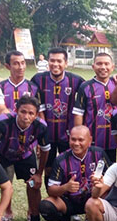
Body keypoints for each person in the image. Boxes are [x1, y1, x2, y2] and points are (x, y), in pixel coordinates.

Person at [0, 96, 49, 221]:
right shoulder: (3, 121)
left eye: (31, 113)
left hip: (25, 156)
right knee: (1, 184)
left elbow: (45, 150)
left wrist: (39, 174)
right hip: (3, 155)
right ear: (16, 110)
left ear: (36, 115)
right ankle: (0, 215)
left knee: (33, 184)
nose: (26, 117)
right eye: (23, 112)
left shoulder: (41, 126)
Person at [40, 126, 109, 221]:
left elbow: (112, 178)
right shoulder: (61, 159)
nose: (76, 143)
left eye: (81, 140)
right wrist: (65, 187)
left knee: (113, 191)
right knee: (46, 206)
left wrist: (101, 182)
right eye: (73, 139)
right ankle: (65, 220)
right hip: (70, 202)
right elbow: (51, 189)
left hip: (94, 199)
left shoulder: (99, 153)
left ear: (89, 140)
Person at [31, 47, 85, 179]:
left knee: (69, 168)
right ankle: (51, 197)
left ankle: (67, 198)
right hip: (46, 134)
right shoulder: (37, 80)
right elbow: (35, 108)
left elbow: (90, 94)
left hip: (67, 134)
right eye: (52, 61)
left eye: (59, 61)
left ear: (66, 63)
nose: (55, 64)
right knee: (48, 169)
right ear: (47, 62)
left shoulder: (76, 80)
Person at [75, 52, 117, 163]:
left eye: (106, 64)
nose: (103, 67)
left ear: (112, 67)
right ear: (93, 66)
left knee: (109, 174)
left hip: (112, 141)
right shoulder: (86, 87)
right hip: (92, 141)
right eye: (99, 64)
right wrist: (79, 136)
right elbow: (78, 113)